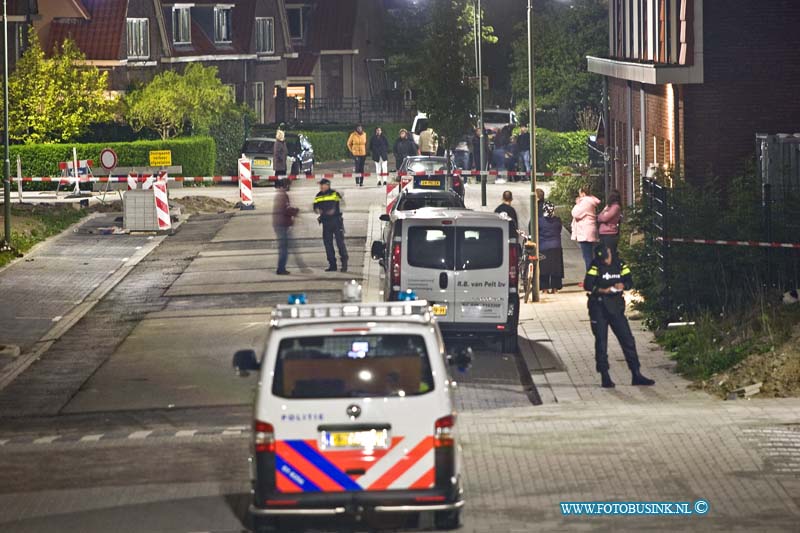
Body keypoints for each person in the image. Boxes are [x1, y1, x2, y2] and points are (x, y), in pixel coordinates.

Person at [584, 245, 655, 388]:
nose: (606, 262)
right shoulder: (595, 265)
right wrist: (603, 290)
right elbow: (588, 285)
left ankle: (636, 374)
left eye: (606, 258)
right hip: (599, 308)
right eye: (603, 260)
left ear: (610, 253)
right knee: (601, 342)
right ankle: (605, 376)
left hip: (616, 307)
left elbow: (630, 281)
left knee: (628, 340)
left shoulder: (620, 264)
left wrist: (623, 285)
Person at [313, 178, 348, 272]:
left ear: (327, 185)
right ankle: (332, 265)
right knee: (328, 244)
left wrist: (335, 210)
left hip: (336, 221)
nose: (320, 187)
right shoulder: (318, 196)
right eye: (320, 185)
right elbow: (315, 207)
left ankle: (344, 264)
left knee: (340, 243)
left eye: (322, 185)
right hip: (326, 223)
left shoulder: (334, 194)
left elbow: (342, 204)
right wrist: (317, 211)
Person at [571, 185, 601, 270]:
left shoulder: (585, 202)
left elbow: (575, 213)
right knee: (592, 256)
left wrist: (577, 204)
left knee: (587, 257)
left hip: (585, 232)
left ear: (583, 194)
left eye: (580, 194)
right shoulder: (591, 201)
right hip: (590, 230)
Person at [273, 179, 299, 275]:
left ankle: (281, 267)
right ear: (285, 186)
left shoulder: (280, 195)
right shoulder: (283, 196)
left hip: (280, 225)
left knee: (284, 247)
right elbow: (286, 210)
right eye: (288, 185)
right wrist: (295, 211)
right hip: (282, 225)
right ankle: (281, 268)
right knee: (284, 248)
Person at [538, 201, 563, 294]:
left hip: (543, 247)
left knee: (544, 269)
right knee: (555, 268)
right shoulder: (558, 220)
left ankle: (544, 289)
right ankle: (555, 288)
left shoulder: (539, 221)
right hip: (556, 247)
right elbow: (559, 230)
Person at [598, 189, 623, 256]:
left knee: (609, 255)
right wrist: (602, 215)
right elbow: (599, 217)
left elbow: (605, 218)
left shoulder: (615, 207)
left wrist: (602, 216)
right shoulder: (608, 207)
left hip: (610, 233)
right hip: (603, 233)